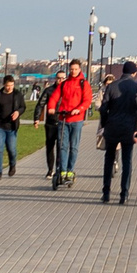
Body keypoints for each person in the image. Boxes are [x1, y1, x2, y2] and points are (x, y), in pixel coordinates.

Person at [99, 61, 137, 204]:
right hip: (129, 128)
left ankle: (106, 192)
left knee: (109, 159)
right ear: (135, 73)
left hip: (112, 126)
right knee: (127, 161)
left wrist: (105, 122)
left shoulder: (111, 86)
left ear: (122, 71)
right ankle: (124, 194)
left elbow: (103, 108)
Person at [45, 60, 93, 189]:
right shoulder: (64, 84)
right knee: (62, 146)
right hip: (64, 118)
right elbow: (55, 96)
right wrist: (51, 107)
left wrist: (80, 108)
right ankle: (63, 171)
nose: (73, 71)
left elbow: (87, 100)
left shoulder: (84, 84)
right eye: (71, 69)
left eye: (75, 69)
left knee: (74, 147)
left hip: (76, 120)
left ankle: (70, 171)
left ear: (79, 70)